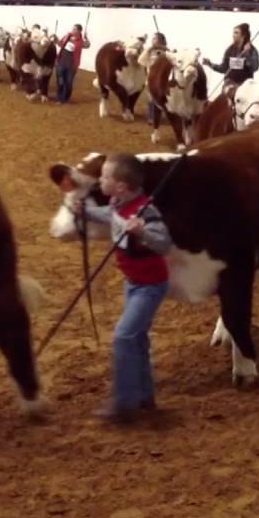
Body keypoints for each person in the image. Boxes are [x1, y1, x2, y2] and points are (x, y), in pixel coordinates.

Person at [72, 154, 172, 423]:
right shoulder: (119, 203)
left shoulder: (145, 210)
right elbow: (110, 215)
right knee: (136, 338)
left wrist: (142, 233)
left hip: (149, 286)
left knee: (124, 337)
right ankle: (143, 395)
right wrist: (86, 211)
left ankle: (124, 403)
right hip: (133, 282)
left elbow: (164, 244)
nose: (100, 181)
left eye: (104, 177)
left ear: (120, 186)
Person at [202, 23, 259, 98]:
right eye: (233, 33)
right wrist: (210, 64)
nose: (233, 35)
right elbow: (223, 68)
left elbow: (255, 67)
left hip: (244, 86)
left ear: (243, 35)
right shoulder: (229, 50)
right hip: (230, 84)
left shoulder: (252, 50)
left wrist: (247, 55)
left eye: (236, 33)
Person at [54, 23, 90, 104]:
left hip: (71, 65)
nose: (72, 30)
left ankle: (65, 98)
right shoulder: (67, 36)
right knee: (60, 81)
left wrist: (86, 37)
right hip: (61, 61)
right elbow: (60, 44)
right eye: (72, 28)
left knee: (68, 83)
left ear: (79, 31)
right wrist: (56, 39)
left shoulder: (81, 41)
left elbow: (88, 45)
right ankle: (60, 98)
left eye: (74, 29)